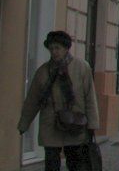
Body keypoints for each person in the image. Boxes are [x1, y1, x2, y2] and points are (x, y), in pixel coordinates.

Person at [18, 31, 100, 171]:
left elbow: (90, 98)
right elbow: (33, 100)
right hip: (50, 124)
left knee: (76, 163)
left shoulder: (81, 68)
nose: (54, 52)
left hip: (75, 123)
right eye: (51, 48)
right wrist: (24, 123)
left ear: (66, 48)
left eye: (58, 48)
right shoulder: (43, 71)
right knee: (51, 163)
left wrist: (92, 124)